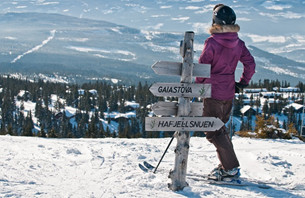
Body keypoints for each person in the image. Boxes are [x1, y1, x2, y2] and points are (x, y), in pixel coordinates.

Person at [195, 4, 256, 181]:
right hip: (228, 93)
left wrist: (198, 87)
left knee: (213, 130)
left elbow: (202, 69)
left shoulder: (212, 42)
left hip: (213, 93)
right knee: (220, 128)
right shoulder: (238, 43)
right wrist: (242, 83)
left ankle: (230, 169)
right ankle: (227, 166)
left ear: (215, 21)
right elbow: (250, 64)